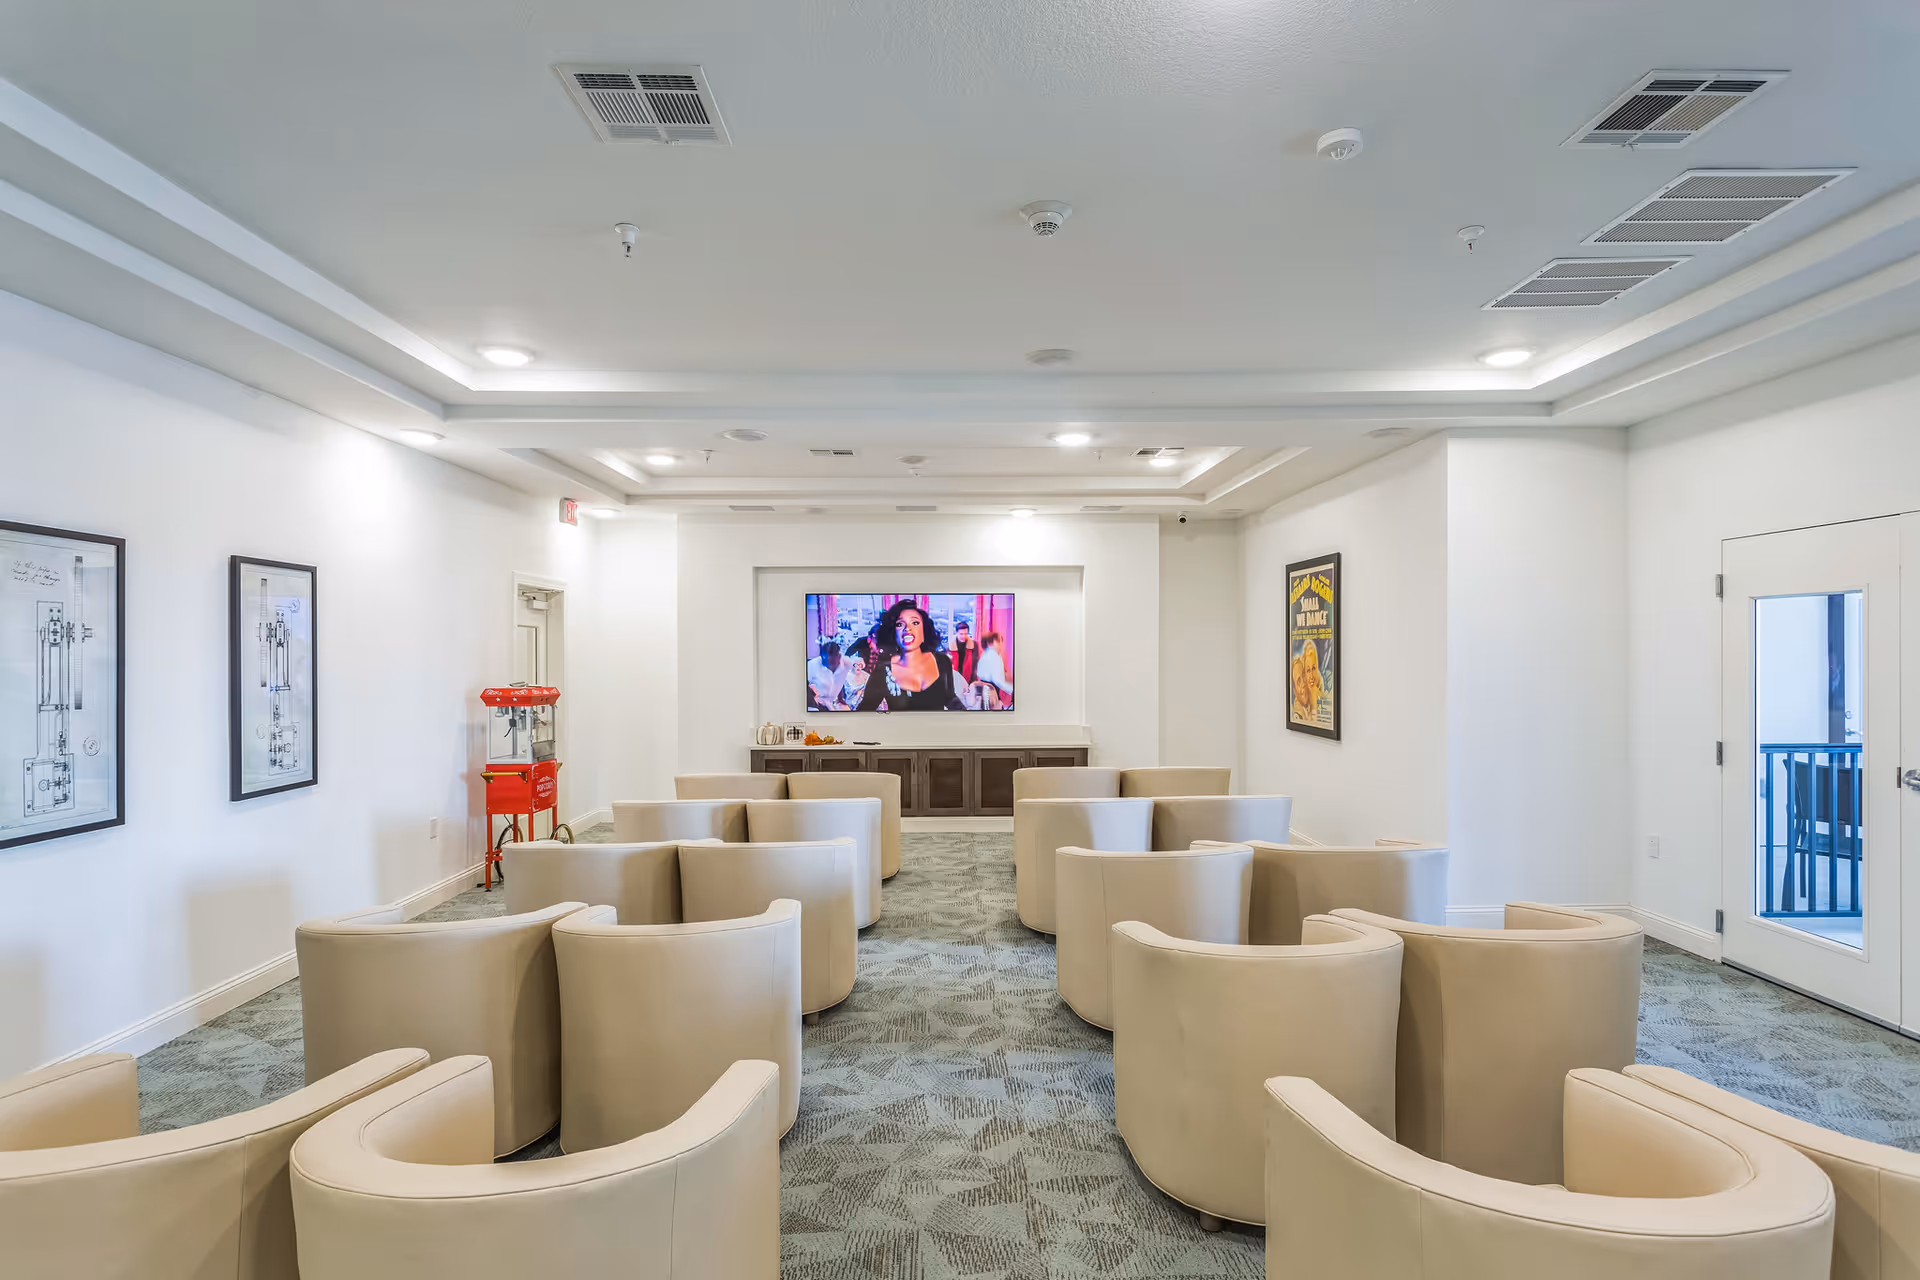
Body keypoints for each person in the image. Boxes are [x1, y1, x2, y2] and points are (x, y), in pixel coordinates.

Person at [856, 599, 965, 711]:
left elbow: (950, 698)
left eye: (915, 623)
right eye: (899, 624)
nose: (907, 628)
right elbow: (864, 711)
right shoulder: (882, 671)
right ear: (893, 634)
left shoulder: (942, 661)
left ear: (924, 631)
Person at [806, 641, 849, 710]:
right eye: (830, 662)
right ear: (823, 656)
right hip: (818, 704)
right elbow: (807, 687)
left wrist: (841, 698)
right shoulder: (811, 665)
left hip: (834, 703)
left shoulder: (841, 663)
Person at [977, 630, 1013, 710]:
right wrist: (1012, 690)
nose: (1001, 645)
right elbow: (998, 680)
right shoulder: (994, 657)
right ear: (992, 642)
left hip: (984, 694)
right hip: (992, 694)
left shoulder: (984, 655)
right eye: (999, 641)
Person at [1290, 638, 1324, 724]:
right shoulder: (1299, 704)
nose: (1311, 675)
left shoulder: (1319, 683)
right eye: (1308, 670)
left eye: (1314, 668)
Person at [950, 620, 981, 686]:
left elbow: (976, 662)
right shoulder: (950, 647)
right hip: (954, 678)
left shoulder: (974, 645)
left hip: (970, 679)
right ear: (956, 633)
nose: (963, 636)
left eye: (966, 634)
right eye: (961, 634)